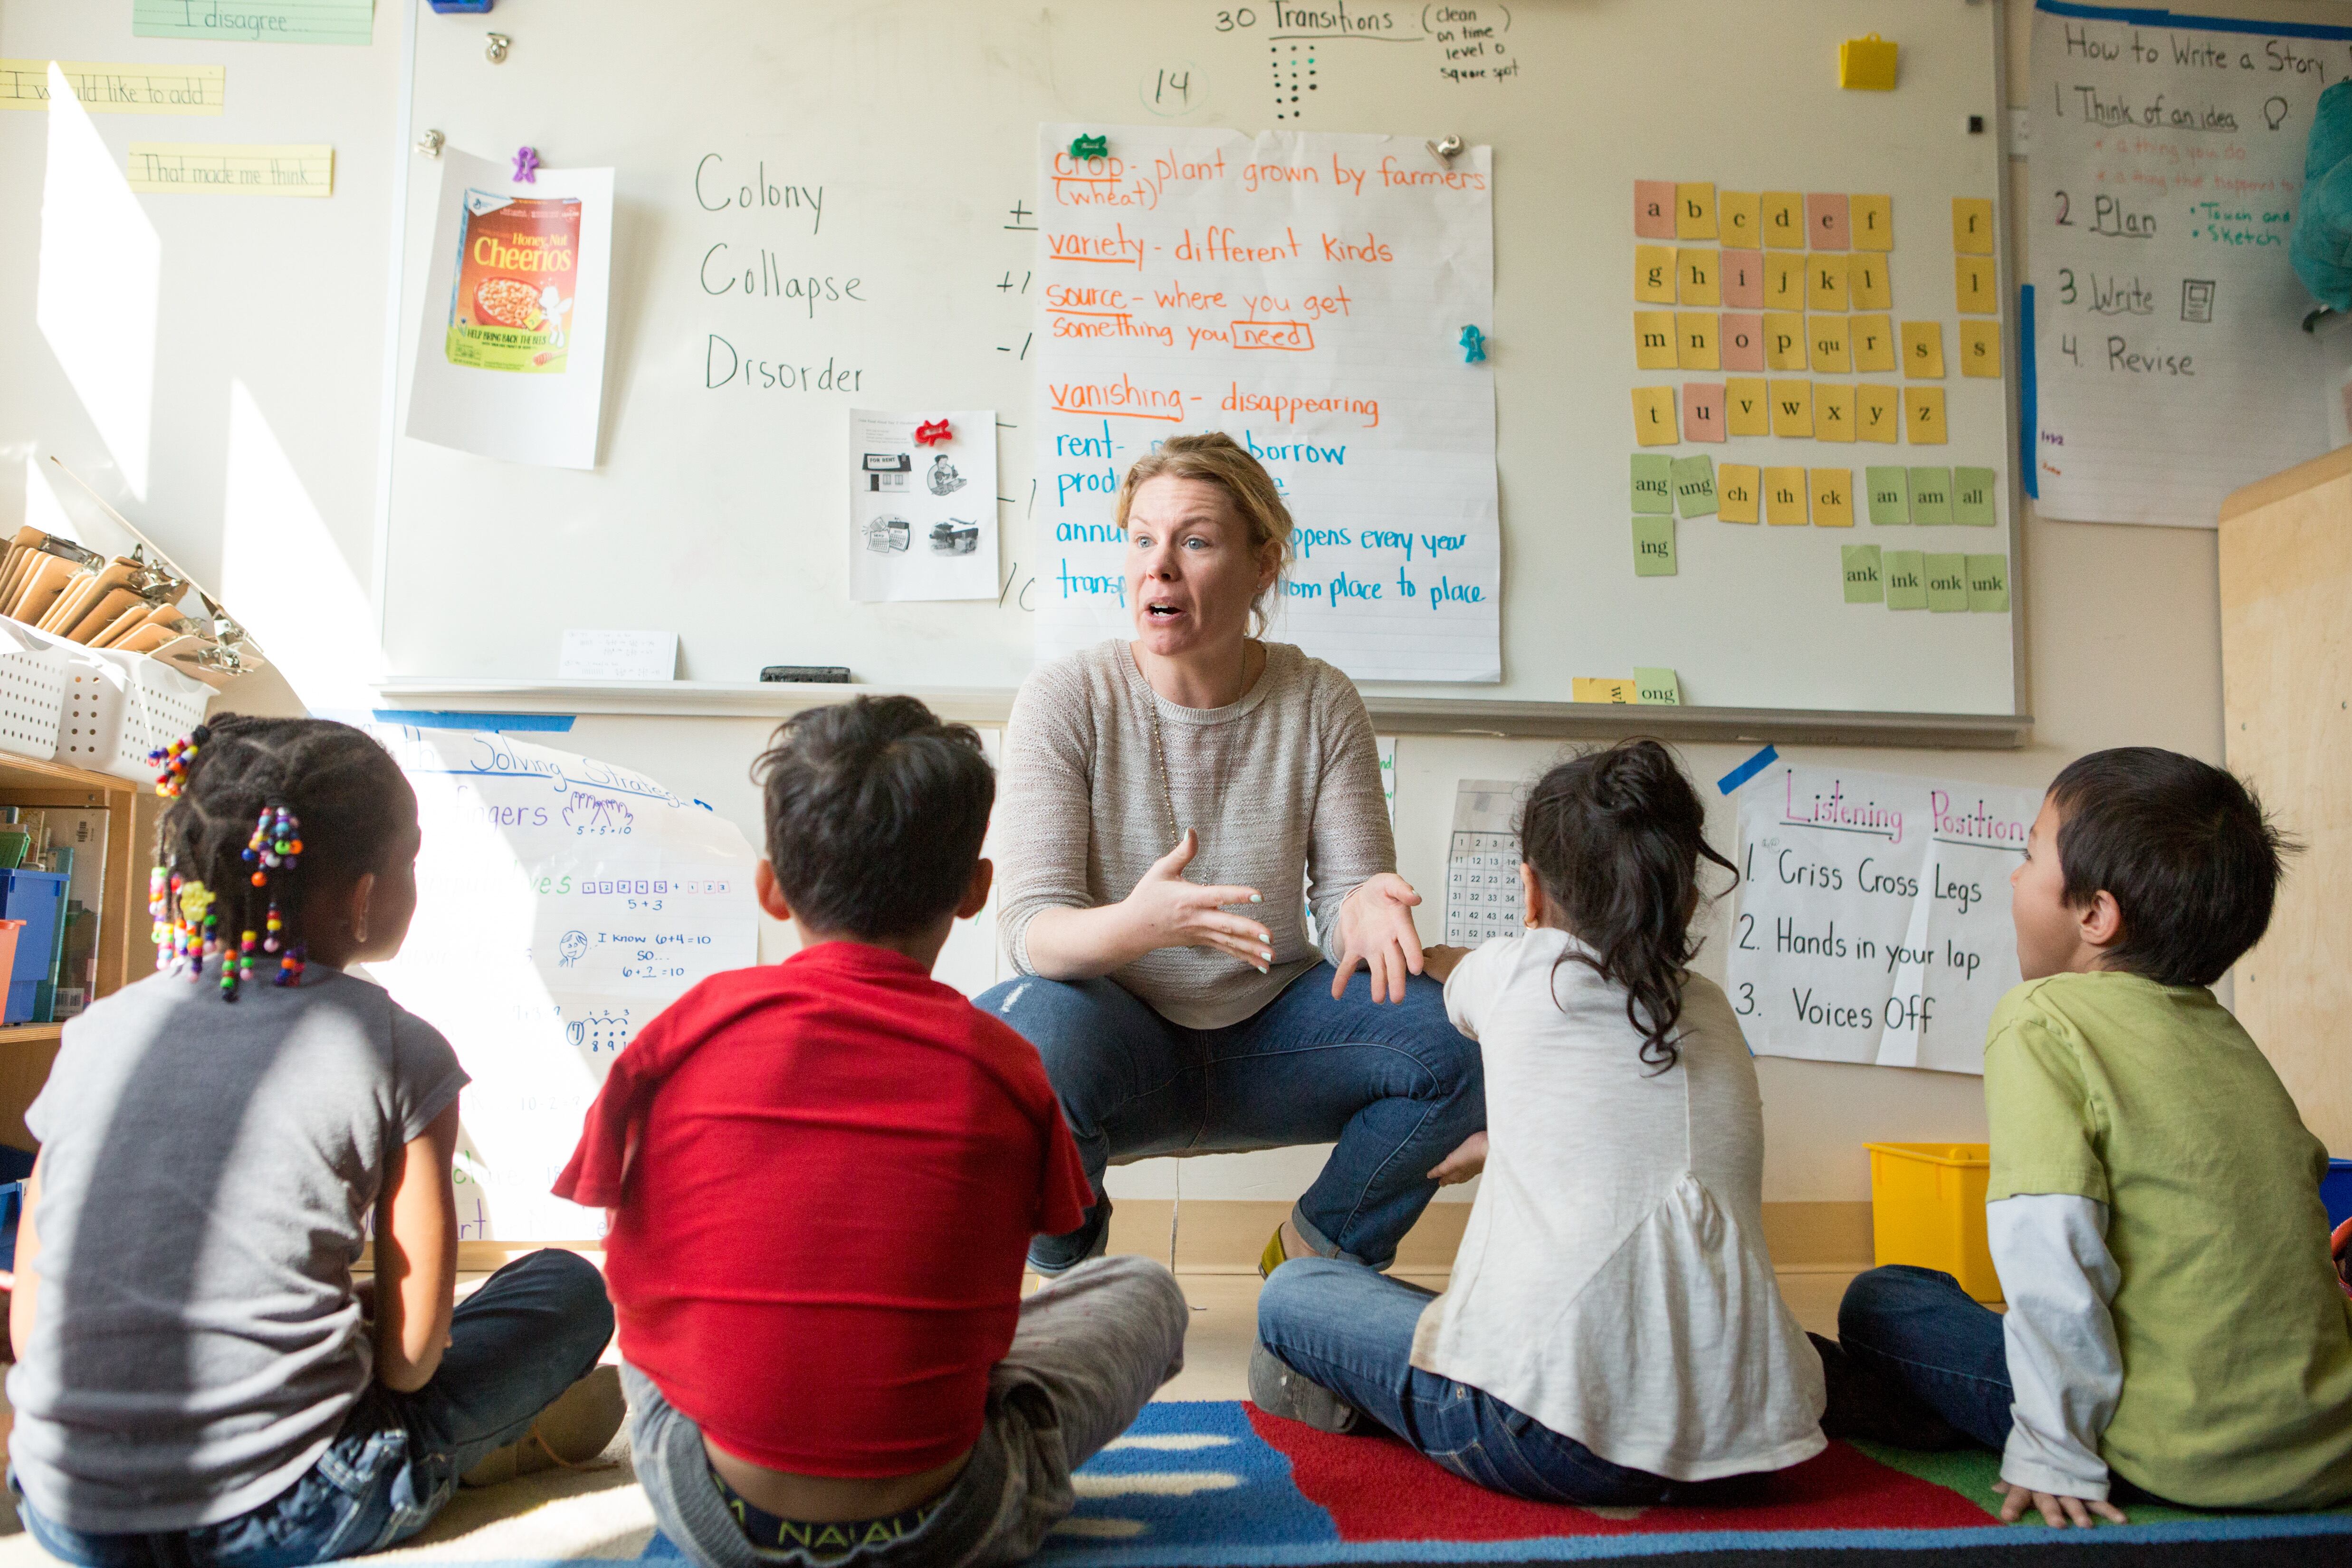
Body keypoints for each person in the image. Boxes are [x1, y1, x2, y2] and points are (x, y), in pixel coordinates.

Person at [560, 696, 1188, 1568]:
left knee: (657, 1299)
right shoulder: (1004, 1064)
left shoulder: (679, 1036)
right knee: (1143, 1293)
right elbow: (1036, 1247)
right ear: (974, 891)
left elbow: (620, 1244)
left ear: (771, 888)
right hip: (954, 1520)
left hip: (710, 1512)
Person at [6, 717, 619, 1567]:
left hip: (68, 1509)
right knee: (564, 1288)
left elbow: (35, 1325)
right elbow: (411, 1361)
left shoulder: (99, 1032)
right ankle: (485, 1450)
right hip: (293, 1505)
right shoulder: (395, 1044)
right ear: (366, 897)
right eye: (411, 862)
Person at [1252, 740, 1826, 1504]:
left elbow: (1444, 972)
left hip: (1543, 1439)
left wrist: (1383, 921)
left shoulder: (1518, 972)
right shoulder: (1714, 1009)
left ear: (1528, 894)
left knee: (1297, 1291)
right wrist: (1507, 1141)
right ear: (1684, 899)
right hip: (1754, 1438)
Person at [979, 432, 1482, 1278]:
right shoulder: (1066, 698)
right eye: (1142, 539)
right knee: (1014, 1044)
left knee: (1464, 1040)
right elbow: (1032, 932)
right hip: (1117, 1038)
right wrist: (1140, 927)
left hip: (1274, 1037)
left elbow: (1349, 893)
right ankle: (1069, 1280)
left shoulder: (1319, 697)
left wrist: (1362, 906)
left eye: (1196, 541)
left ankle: (1313, 1257)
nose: (1159, 568)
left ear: (1261, 567)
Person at [1827, 747, 2352, 1522]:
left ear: (2095, 916)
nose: (2011, 877)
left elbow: (2050, 1244)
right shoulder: (2228, 1037)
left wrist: (2053, 1448)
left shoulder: (2041, 1016)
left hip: (2177, 1453)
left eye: (2027, 855)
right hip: (2324, 1449)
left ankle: (1950, 1418)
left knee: (1883, 1300)